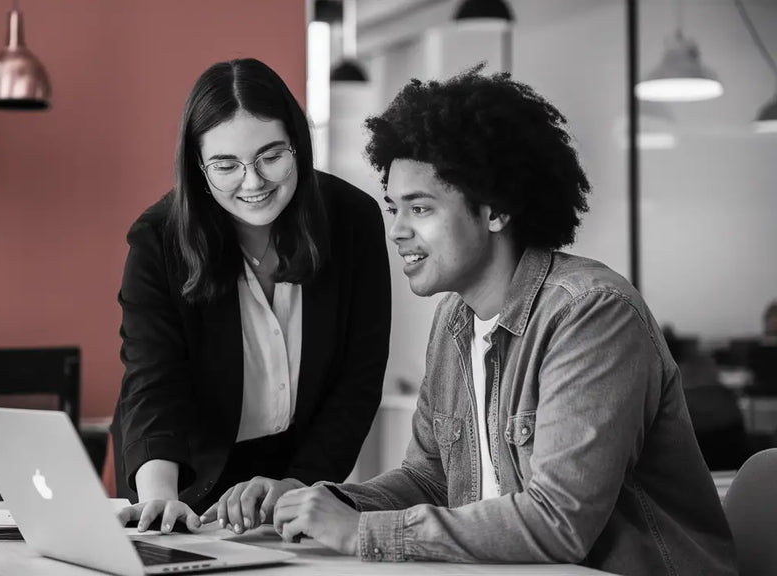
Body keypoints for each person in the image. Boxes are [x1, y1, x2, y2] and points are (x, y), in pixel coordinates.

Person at [265, 69, 738, 575]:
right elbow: (430, 481)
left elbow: (559, 521)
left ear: (495, 212)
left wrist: (360, 534)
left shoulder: (591, 314)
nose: (398, 232)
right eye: (393, 209)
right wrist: (318, 504)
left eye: (420, 208)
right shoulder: (454, 322)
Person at [111, 58, 391, 535]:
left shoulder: (353, 221)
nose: (253, 181)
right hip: (185, 481)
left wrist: (297, 487)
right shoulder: (159, 238)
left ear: (298, 146)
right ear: (199, 169)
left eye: (270, 156)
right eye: (226, 165)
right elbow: (153, 380)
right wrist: (161, 497)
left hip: (301, 475)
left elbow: (356, 383)